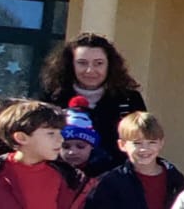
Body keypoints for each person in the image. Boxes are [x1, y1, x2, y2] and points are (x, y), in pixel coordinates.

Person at [39, 33, 145, 171]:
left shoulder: (129, 99)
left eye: (99, 63)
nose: (90, 70)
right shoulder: (52, 98)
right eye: (82, 63)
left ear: (110, 65)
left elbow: (142, 140)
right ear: (70, 64)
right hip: (61, 178)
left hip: (114, 181)